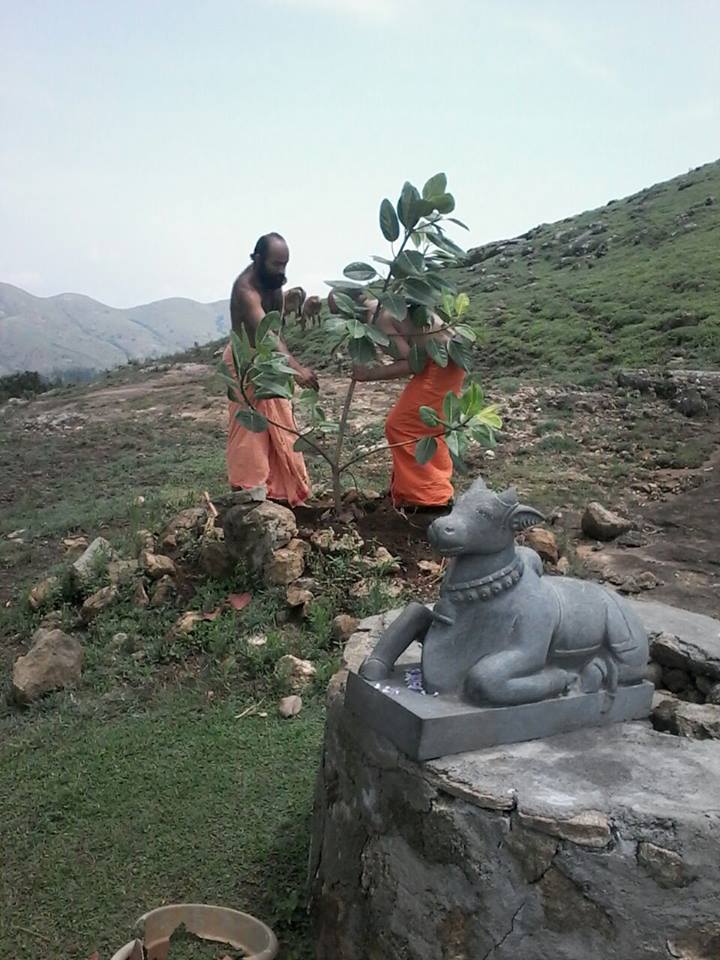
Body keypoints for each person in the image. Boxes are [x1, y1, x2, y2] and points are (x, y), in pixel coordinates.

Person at [330, 291, 464, 511]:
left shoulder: (379, 318)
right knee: (424, 425)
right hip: (447, 358)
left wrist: (369, 375)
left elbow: (412, 363)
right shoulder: (382, 307)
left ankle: (427, 498)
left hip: (442, 362)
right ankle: (413, 489)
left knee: (403, 426)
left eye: (342, 315)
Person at [224, 233, 318, 506]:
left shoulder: (273, 284)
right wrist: (297, 369)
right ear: (257, 258)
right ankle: (248, 492)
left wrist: (285, 366)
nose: (282, 271)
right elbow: (267, 335)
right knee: (249, 428)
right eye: (276, 264)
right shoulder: (245, 290)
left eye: (285, 264)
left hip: (272, 361)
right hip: (245, 363)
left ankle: (281, 492)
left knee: (281, 422)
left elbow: (276, 329)